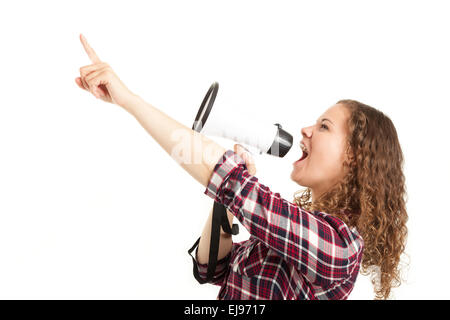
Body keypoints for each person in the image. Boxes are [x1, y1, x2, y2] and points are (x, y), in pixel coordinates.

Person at [75, 34, 408, 300]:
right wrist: (226, 199)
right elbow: (211, 269)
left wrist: (129, 100)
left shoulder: (340, 250)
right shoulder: (287, 230)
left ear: (354, 157)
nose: (306, 130)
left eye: (323, 127)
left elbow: (230, 181)